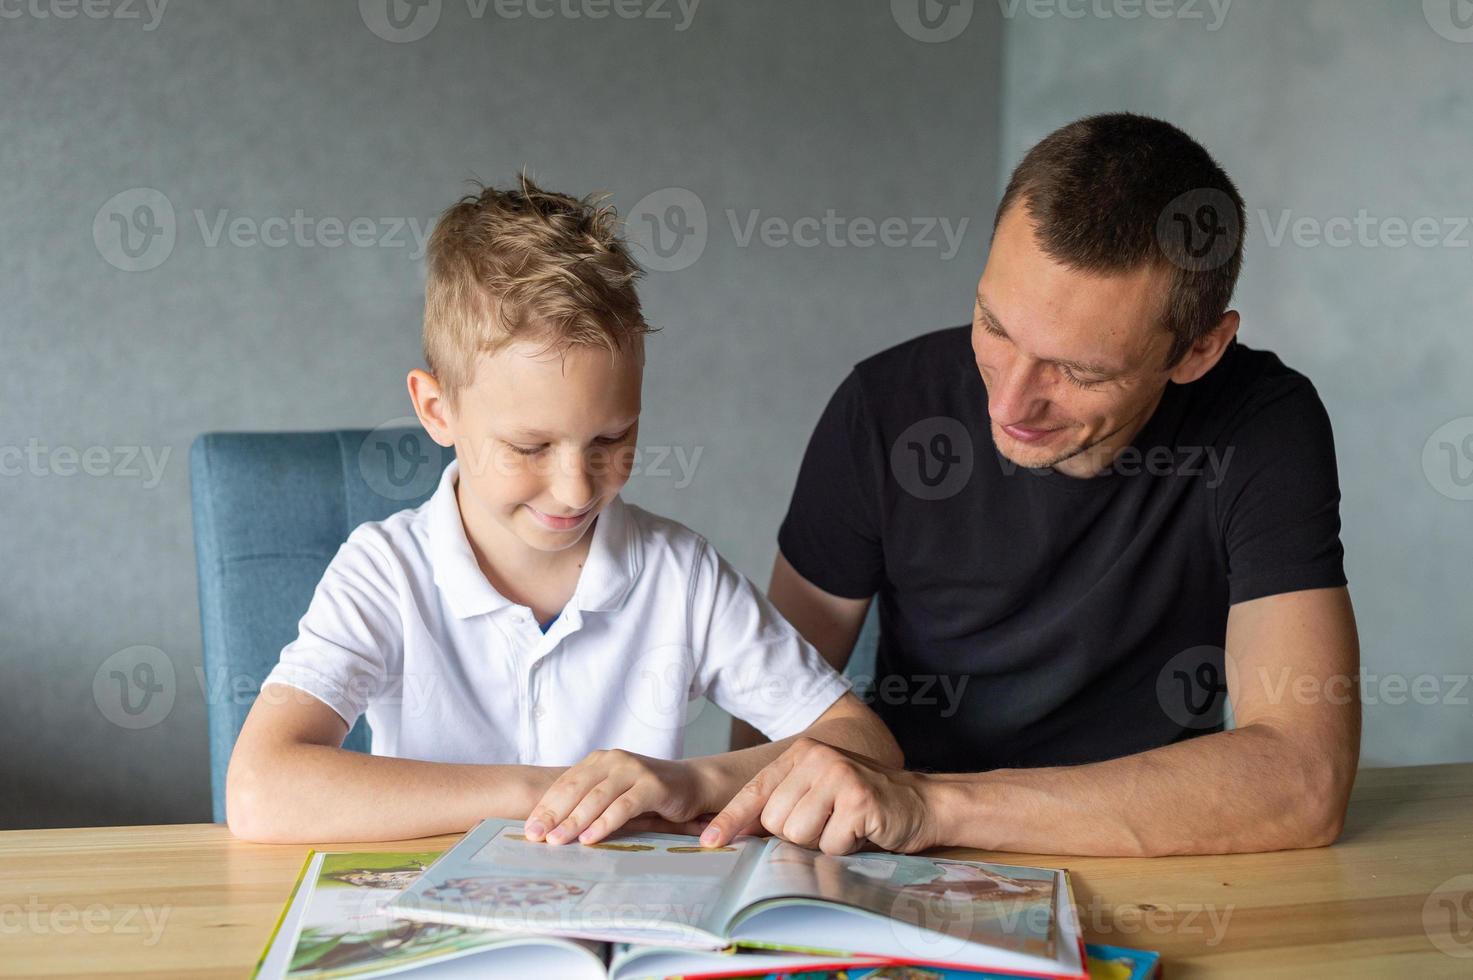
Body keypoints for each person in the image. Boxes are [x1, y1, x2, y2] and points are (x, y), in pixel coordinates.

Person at [704, 113, 1360, 857]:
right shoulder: (883, 409)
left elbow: (1303, 782)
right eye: (993, 327)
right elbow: (768, 729)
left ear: (1198, 349)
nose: (1009, 405)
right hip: (895, 860)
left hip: (1163, 855)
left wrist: (930, 804)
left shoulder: (1262, 424)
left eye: (1078, 371)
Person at [225, 176, 901, 844]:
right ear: (438, 410)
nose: (577, 490)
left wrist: (692, 781)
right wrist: (537, 790)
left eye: (611, 439)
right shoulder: (385, 571)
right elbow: (259, 789)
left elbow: (866, 744)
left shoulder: (679, 573)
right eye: (530, 446)